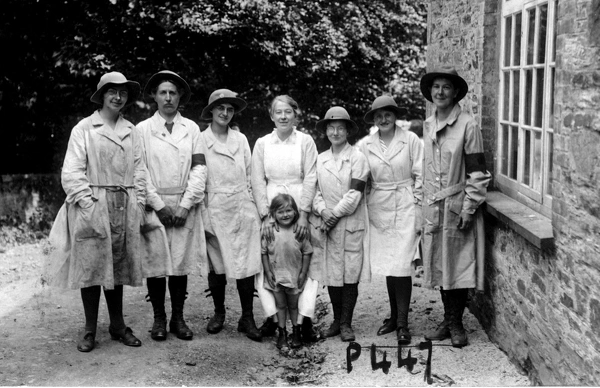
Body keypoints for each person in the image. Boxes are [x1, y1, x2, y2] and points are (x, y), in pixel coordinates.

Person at [44, 71, 146, 352]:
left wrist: (139, 202)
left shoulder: (131, 130)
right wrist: (87, 203)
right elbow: (72, 172)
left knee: (117, 265)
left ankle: (117, 325)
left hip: (124, 203)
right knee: (91, 266)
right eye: (112, 92)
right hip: (94, 203)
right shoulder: (85, 128)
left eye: (123, 92)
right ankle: (89, 329)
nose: (117, 97)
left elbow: (140, 169)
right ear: (102, 96)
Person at [419, 67, 491, 348]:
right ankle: (448, 320)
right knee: (439, 264)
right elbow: (424, 168)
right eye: (435, 87)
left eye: (446, 87)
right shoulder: (427, 124)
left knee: (457, 266)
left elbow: (478, 173)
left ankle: (456, 323)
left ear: (456, 92)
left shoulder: (468, 125)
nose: (440, 92)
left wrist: (469, 207)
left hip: (457, 205)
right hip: (433, 206)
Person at [137, 70, 207, 341]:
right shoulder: (142, 130)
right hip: (154, 207)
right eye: (163, 92)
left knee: (179, 264)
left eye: (173, 93)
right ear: (154, 96)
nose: (168, 97)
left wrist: (186, 204)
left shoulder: (191, 129)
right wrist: (158, 204)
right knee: (156, 263)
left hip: (183, 206)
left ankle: (178, 318)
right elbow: (139, 170)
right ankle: (159, 319)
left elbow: (200, 168)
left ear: (180, 98)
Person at [251, 95, 319, 344]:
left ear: (295, 114)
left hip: (299, 204)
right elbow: (257, 180)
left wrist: (304, 213)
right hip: (272, 209)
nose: (283, 116)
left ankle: (304, 322)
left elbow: (311, 176)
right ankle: (273, 319)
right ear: (271, 115)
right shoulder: (262, 143)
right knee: (271, 258)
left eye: (288, 112)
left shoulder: (305, 141)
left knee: (302, 261)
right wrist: (265, 215)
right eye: (278, 112)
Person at [357, 95, 423, 345]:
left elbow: (420, 174)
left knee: (402, 264)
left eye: (388, 114)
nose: (383, 119)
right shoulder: (366, 144)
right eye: (378, 115)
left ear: (395, 116)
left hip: (405, 203)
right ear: (373, 119)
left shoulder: (410, 140)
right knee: (388, 264)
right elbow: (360, 176)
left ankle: (403, 323)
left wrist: (418, 206)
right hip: (379, 206)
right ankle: (394, 317)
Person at [200, 89, 263, 342]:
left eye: (229, 109)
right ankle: (218, 313)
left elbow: (251, 176)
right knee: (218, 264)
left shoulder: (241, 139)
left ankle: (247, 317)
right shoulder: (201, 140)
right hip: (215, 205)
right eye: (220, 108)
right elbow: (197, 177)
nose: (225, 113)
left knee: (246, 264)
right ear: (211, 111)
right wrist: (203, 212)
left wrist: (255, 209)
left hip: (241, 205)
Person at [313, 106, 370, 342]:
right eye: (331, 128)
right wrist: (322, 210)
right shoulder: (320, 159)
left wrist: (334, 215)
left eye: (340, 128)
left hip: (350, 222)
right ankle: (336, 321)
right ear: (326, 131)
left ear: (348, 132)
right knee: (333, 274)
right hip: (328, 223)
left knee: (349, 274)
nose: (335, 132)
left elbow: (354, 194)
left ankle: (346, 322)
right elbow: (314, 190)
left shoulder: (357, 158)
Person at [262, 194, 313, 349]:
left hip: (294, 275)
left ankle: (296, 331)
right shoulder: (270, 232)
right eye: (280, 212)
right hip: (276, 275)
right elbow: (263, 252)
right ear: (273, 214)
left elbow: (307, 252)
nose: (285, 215)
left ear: (295, 212)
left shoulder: (299, 231)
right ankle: (282, 332)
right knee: (280, 305)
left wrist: (303, 272)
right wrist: (268, 271)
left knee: (294, 306)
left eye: (289, 210)